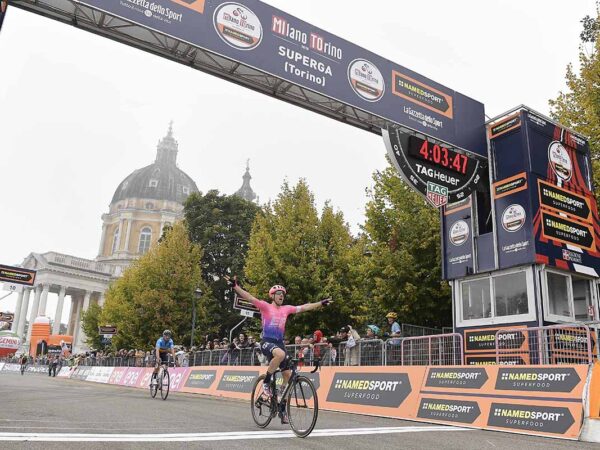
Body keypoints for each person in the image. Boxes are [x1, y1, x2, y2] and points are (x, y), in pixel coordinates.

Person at [226, 275, 331, 424]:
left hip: (279, 344)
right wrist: (235, 286)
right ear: (272, 296)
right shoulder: (265, 306)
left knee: (288, 375)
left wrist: (321, 303)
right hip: (267, 342)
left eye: (283, 294)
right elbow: (249, 297)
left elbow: (304, 307)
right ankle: (266, 382)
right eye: (279, 294)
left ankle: (281, 403)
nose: (282, 296)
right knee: (280, 354)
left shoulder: (286, 309)